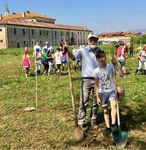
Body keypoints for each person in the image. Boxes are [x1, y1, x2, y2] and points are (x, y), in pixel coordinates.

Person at [66, 32, 101, 129]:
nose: (93, 41)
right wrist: (67, 51)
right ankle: (81, 120)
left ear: (97, 41)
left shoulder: (100, 51)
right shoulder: (83, 51)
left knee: (96, 101)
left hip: (98, 80)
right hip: (86, 80)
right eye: (91, 39)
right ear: (88, 40)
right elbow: (73, 57)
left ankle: (93, 120)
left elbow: (103, 64)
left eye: (94, 39)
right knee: (83, 100)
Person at [92, 50, 123, 136]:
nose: (101, 59)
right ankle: (108, 127)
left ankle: (113, 125)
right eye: (99, 57)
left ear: (105, 57)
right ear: (96, 59)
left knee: (114, 106)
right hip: (102, 93)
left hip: (112, 91)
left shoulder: (110, 67)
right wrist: (97, 97)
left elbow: (121, 74)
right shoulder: (96, 71)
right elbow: (96, 85)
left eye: (102, 56)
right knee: (105, 111)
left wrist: (116, 64)